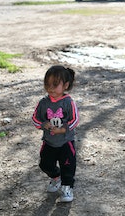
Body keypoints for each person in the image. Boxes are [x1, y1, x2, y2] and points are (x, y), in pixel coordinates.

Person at [32, 65, 80, 202]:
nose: (50, 88)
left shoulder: (68, 102)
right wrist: (42, 124)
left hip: (66, 142)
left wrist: (64, 129)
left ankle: (67, 188)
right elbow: (35, 118)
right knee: (45, 164)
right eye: (47, 84)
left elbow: (75, 120)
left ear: (65, 85)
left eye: (54, 84)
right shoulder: (43, 103)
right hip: (49, 141)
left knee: (68, 166)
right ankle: (56, 177)